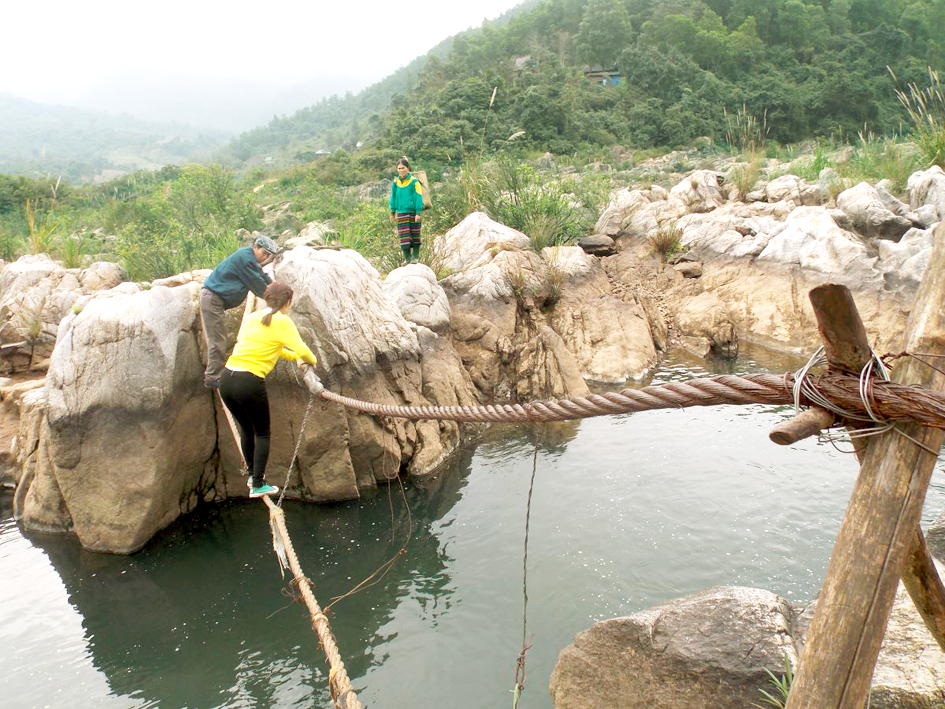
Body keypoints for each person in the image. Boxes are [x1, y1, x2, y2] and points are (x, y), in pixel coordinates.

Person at [219, 280, 318, 498]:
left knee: (247, 429)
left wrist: (294, 358)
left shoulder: (255, 317)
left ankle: (253, 476)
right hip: (249, 381)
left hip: (226, 379)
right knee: (262, 433)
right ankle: (257, 484)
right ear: (288, 301)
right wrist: (312, 361)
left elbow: (277, 349)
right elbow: (302, 349)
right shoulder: (282, 321)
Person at [200, 235, 280, 389]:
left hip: (215, 299)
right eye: (264, 253)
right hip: (212, 299)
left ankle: (216, 374)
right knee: (217, 340)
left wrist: (274, 285)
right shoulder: (245, 259)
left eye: (268, 256)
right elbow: (257, 284)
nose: (265, 257)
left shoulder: (248, 257)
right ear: (255, 246)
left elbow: (261, 275)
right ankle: (212, 378)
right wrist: (277, 302)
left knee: (219, 338)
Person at [388, 157, 424, 265]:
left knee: (415, 234)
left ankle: (415, 257)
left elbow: (418, 197)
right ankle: (407, 258)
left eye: (403, 168)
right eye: (398, 168)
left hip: (413, 212)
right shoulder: (396, 182)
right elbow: (393, 197)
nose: (400, 170)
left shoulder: (414, 182)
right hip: (401, 212)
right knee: (404, 236)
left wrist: (418, 213)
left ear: (408, 168)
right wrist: (392, 212)